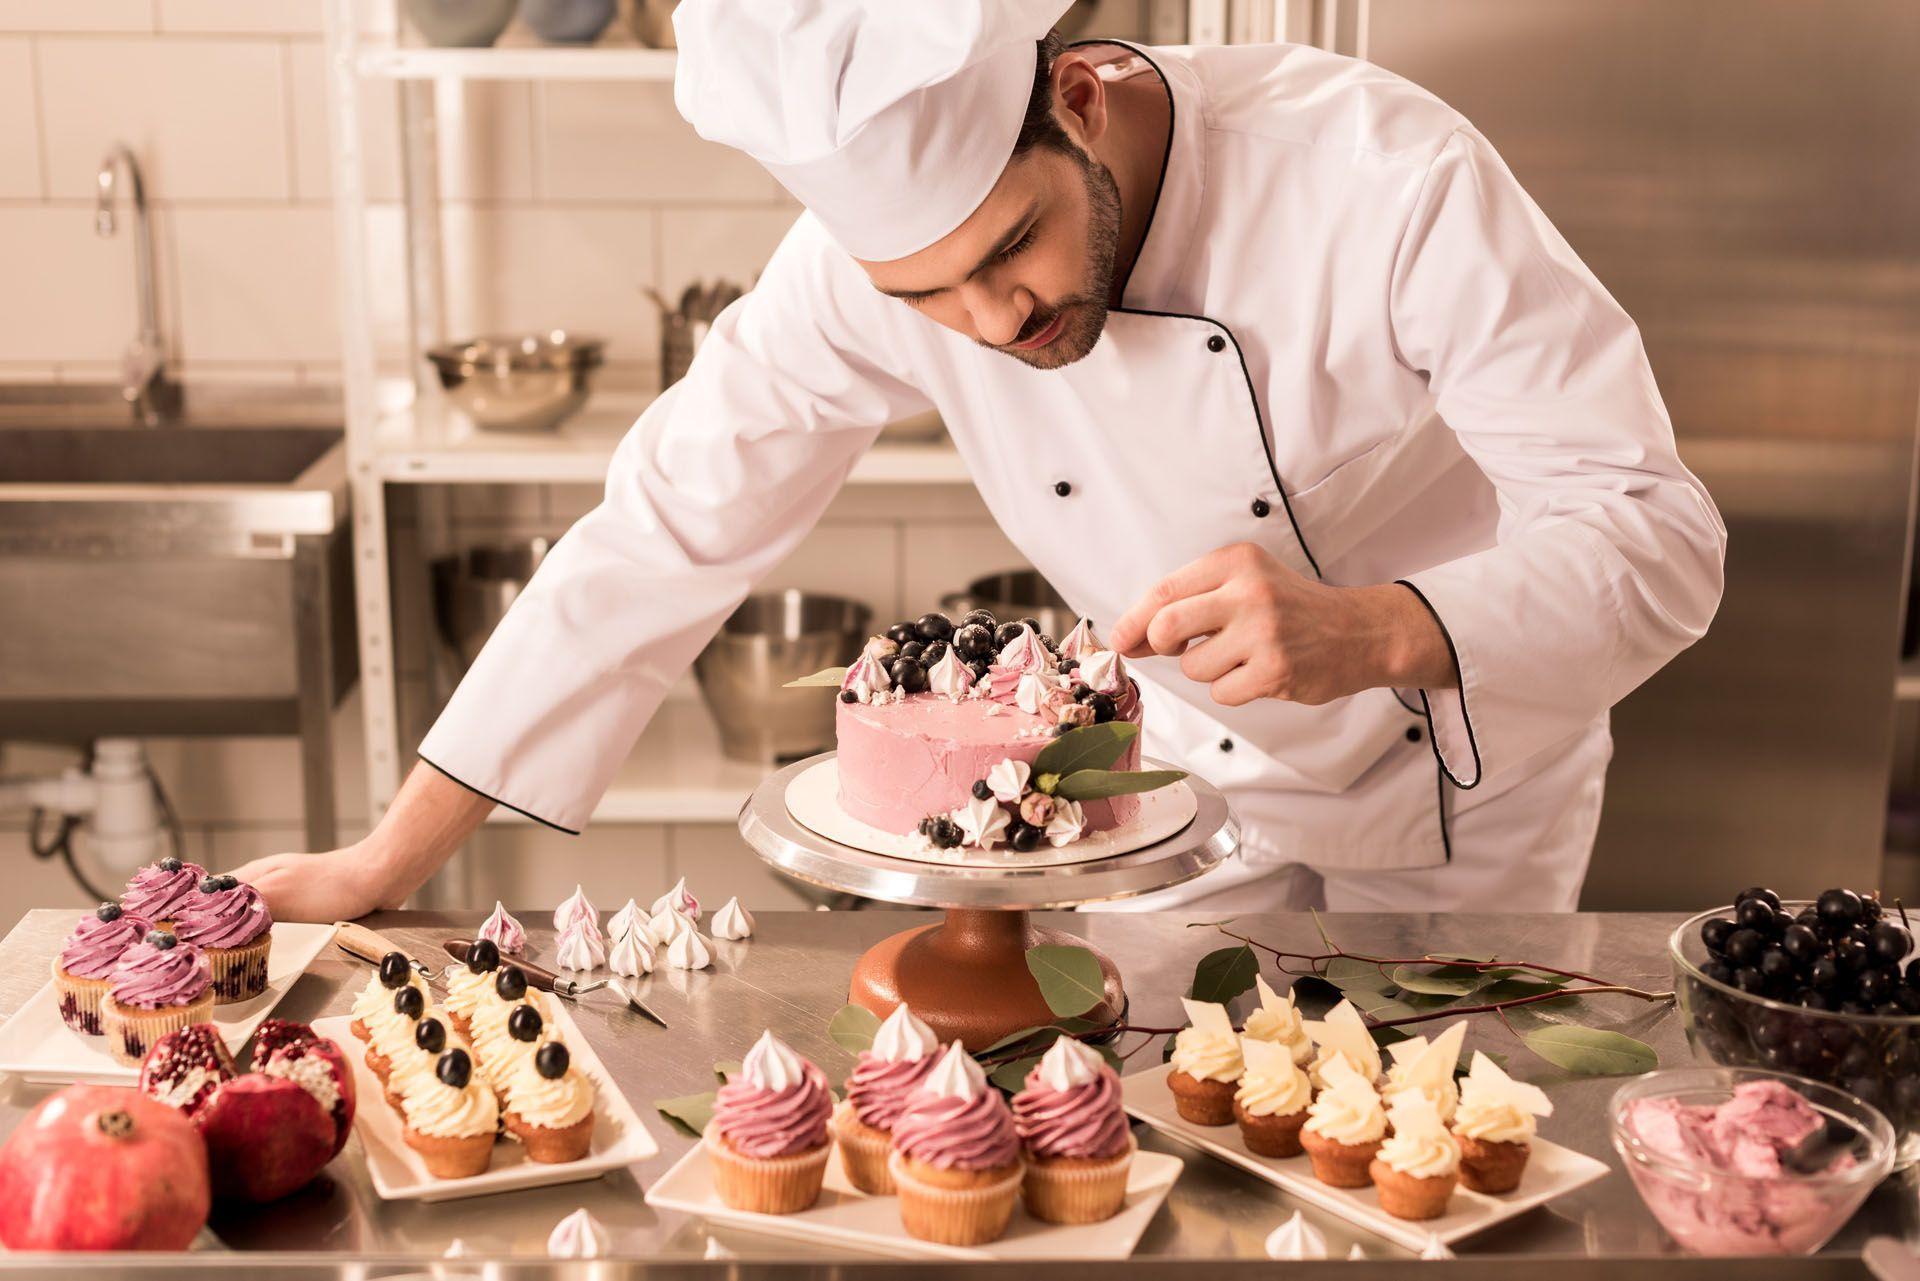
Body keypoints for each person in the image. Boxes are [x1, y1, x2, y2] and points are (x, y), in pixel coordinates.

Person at [234, 1, 1724, 921]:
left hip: (1463, 804)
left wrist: (1379, 624)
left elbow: (1657, 535)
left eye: (1012, 246)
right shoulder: (874, 273)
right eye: (926, 297)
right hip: (1178, 811)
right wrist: (389, 855)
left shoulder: (1382, 181)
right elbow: (663, 531)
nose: (993, 321)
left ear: (1079, 91)